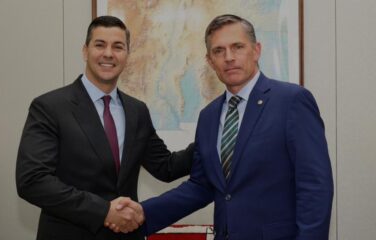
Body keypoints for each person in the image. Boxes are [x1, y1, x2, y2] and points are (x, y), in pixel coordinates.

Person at [116, 14, 334, 240]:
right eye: (219, 51)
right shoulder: (208, 117)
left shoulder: (292, 101)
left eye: (237, 47)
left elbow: (315, 186)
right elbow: (201, 186)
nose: (229, 57)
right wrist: (143, 213)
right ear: (210, 61)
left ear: (256, 50)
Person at [16, 15, 194, 240]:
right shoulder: (50, 107)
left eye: (118, 47)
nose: (108, 53)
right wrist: (103, 211)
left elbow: (166, 167)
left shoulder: (136, 110)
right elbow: (32, 180)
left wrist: (214, 137)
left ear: (127, 55)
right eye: (100, 45)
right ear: (85, 51)